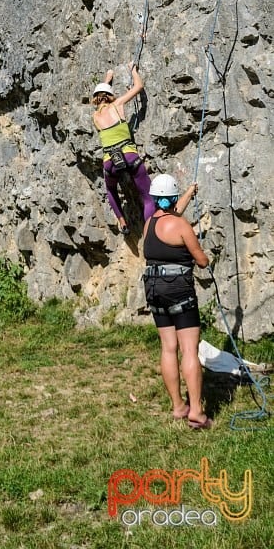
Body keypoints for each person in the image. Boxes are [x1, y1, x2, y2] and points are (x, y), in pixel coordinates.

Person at [142, 174, 212, 429]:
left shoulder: (150, 223)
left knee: (168, 347)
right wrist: (206, 258)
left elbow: (171, 212)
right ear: (171, 198)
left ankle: (178, 406)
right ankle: (196, 412)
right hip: (179, 290)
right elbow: (201, 261)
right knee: (189, 349)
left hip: (153, 290)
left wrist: (189, 192)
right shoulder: (181, 226)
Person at [92, 63, 153, 234]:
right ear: (110, 95)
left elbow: (101, 95)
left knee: (111, 189)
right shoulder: (117, 105)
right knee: (148, 198)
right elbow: (139, 86)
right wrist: (133, 70)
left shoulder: (95, 116)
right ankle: (150, 231)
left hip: (109, 161)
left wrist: (107, 79)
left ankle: (122, 221)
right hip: (128, 156)